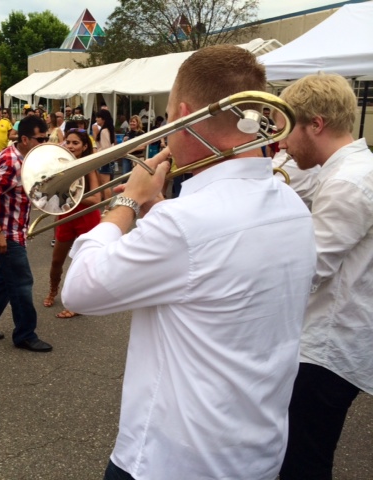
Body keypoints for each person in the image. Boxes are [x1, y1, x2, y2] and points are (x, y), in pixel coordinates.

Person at [61, 45, 317, 479]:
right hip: (256, 453)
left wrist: (126, 200)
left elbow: (79, 290)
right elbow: (208, 270)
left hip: (170, 460)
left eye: (167, 118)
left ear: (184, 114)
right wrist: (155, 210)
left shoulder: (187, 223)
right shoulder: (292, 205)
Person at [276, 73, 373, 480]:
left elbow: (309, 269)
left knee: (303, 461)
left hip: (326, 347)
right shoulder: (342, 169)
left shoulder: (348, 181)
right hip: (326, 338)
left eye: (286, 128)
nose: (280, 142)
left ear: (315, 124)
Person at [0, 115, 53, 352]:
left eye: (46, 137)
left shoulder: (22, 158)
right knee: (22, 283)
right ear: (24, 139)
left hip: (14, 231)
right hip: (6, 234)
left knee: (7, 281)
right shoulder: (12, 162)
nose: (44, 142)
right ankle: (25, 334)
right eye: (40, 138)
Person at [43, 128, 101, 318]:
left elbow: (96, 200)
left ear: (85, 146)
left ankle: (77, 303)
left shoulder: (89, 166)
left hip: (86, 218)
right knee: (56, 261)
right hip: (66, 217)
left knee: (81, 264)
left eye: (75, 143)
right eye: (68, 142)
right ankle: (53, 290)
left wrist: (72, 193)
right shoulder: (60, 165)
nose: (70, 146)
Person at [95, 109, 116, 203]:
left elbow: (105, 147)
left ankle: (108, 205)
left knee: (105, 184)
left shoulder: (104, 131)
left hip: (104, 159)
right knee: (106, 183)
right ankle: (108, 204)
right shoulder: (108, 130)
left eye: (98, 117)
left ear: (103, 119)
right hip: (108, 159)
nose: (96, 119)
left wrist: (96, 153)